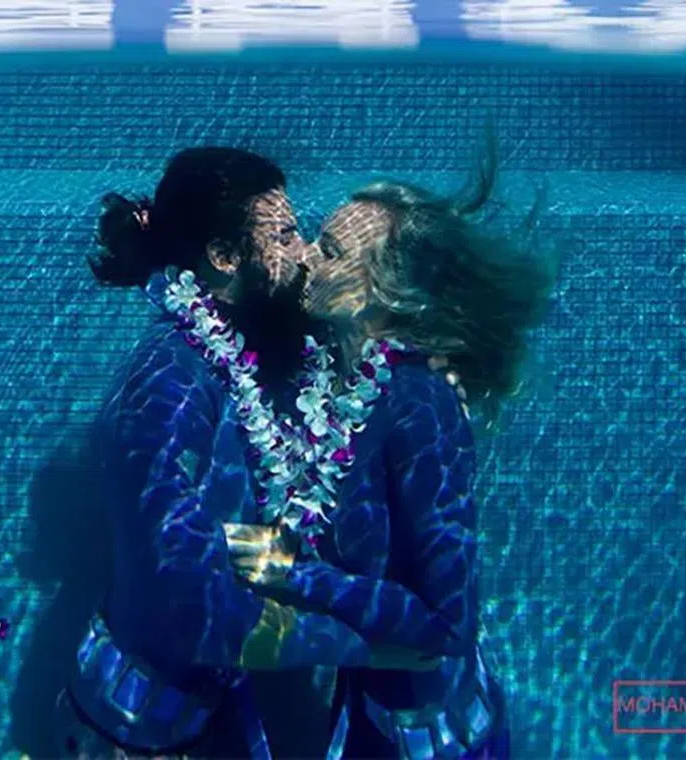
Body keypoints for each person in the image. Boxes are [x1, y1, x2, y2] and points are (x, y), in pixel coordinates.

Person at [62, 147, 437, 760]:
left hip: (213, 703)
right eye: (286, 235)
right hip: (134, 730)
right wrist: (367, 643)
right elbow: (181, 597)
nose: (306, 252)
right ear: (224, 257)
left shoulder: (261, 338)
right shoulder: (167, 391)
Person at [224, 154, 556, 758]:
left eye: (330, 251)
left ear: (384, 291)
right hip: (365, 717)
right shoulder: (337, 374)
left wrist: (288, 570)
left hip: (432, 740)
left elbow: (447, 625)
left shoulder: (419, 406)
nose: (305, 258)